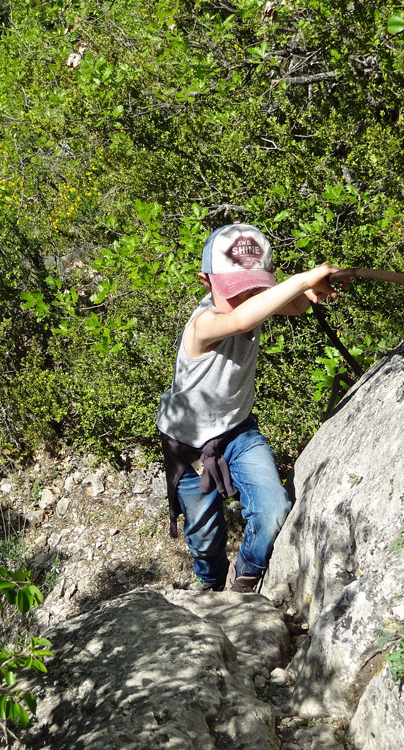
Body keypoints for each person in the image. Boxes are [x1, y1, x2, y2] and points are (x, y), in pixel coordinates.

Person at [157, 222, 339, 593]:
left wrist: (310, 290)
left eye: (253, 289)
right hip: (187, 445)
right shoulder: (204, 324)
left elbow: (296, 305)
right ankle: (209, 587)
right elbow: (241, 318)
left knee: (274, 509)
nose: (244, 299)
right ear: (205, 282)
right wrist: (304, 278)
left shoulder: (255, 301)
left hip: (238, 429)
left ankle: (246, 578)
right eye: (234, 292)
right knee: (204, 535)